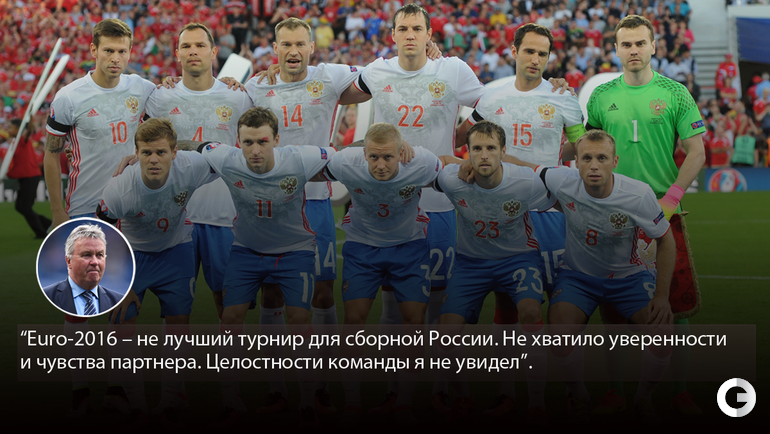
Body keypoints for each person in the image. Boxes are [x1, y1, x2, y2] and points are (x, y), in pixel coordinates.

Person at [454, 23, 585, 418]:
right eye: (529, 51)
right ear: (513, 51)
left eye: (543, 53)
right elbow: (461, 137)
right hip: (503, 213)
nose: (535, 59)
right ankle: (509, 393)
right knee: (508, 308)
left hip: (548, 212)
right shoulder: (491, 96)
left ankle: (573, 389)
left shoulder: (563, 99)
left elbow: (582, 146)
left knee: (561, 311)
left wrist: (557, 161)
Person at [585, 14, 706, 416]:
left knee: (675, 306)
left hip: (662, 211)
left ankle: (679, 392)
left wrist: (671, 198)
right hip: (612, 212)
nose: (633, 50)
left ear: (654, 46)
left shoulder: (675, 93)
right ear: (616, 49)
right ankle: (616, 392)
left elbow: (697, 152)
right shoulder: (601, 95)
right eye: (626, 44)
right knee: (614, 310)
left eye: (640, 43)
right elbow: (588, 149)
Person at [186, 107, 336, 426]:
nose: (255, 150)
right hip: (247, 251)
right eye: (248, 142)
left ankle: (307, 402)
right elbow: (192, 145)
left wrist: (393, 145)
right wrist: (138, 154)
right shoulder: (225, 157)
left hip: (295, 251)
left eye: (263, 142)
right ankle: (231, 402)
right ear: (237, 141)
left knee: (300, 320)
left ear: (277, 140)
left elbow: (346, 155)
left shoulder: (300, 158)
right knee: (230, 318)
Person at [244, 17, 363, 413]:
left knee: (323, 292)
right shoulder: (255, 87)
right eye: (285, 44)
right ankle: (277, 388)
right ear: (274, 48)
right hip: (271, 204)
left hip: (315, 201)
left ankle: (321, 385)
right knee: (272, 292)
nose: (293, 51)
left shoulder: (329, 78)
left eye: (300, 44)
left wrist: (430, 56)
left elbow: (381, 80)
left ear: (312, 47)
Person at [43, 18, 156, 419]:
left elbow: (183, 95)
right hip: (83, 211)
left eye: (122, 51)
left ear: (130, 52)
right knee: (79, 308)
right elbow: (51, 154)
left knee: (122, 307)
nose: (115, 58)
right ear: (93, 50)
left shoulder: (143, 89)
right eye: (108, 50)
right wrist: (57, 211)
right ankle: (79, 392)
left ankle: (116, 389)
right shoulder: (69, 97)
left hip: (129, 213)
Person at [541, 129, 675, 425]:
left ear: (615, 161)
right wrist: (474, 164)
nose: (594, 165)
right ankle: (579, 394)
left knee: (662, 336)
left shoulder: (638, 194)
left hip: (629, 277)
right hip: (577, 277)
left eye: (602, 158)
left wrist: (662, 296)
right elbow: (525, 169)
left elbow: (666, 240)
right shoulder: (562, 180)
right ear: (576, 162)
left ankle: (643, 399)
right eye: (586, 158)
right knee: (559, 334)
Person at [322, 123, 448, 424]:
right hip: (362, 247)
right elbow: (310, 171)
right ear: (363, 153)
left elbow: (448, 167)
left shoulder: (421, 161)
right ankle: (352, 403)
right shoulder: (345, 162)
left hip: (409, 247)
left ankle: (403, 403)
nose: (380, 165)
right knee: (354, 321)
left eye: (388, 157)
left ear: (401, 152)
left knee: (414, 321)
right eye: (374, 157)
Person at [98, 118, 220, 420]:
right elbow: (101, 236)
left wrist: (193, 145)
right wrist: (122, 283)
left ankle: (172, 399)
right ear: (136, 153)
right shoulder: (119, 188)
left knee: (179, 325)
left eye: (162, 152)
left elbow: (224, 156)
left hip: (175, 250)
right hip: (130, 255)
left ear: (175, 152)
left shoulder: (191, 166)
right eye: (147, 152)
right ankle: (137, 404)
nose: (154, 159)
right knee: (122, 325)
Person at [436, 121, 555, 425]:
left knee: (530, 311)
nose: (484, 155)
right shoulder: (451, 179)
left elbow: (563, 195)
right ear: (468, 152)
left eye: (491, 148)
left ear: (504, 151)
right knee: (446, 332)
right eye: (477, 149)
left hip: (517, 259)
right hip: (470, 263)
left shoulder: (525, 181)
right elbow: (431, 164)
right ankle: (463, 397)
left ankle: (538, 403)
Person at [42, 223, 122, 316]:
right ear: (69, 261)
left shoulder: (118, 301)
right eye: (86, 255)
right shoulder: (47, 296)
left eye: (100, 255)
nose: (95, 262)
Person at [6, 119, 51, 238]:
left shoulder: (22, 139)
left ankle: (41, 232)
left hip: (30, 177)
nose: (8, 130)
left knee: (25, 207)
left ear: (18, 129)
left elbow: (29, 130)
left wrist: (30, 118)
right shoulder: (16, 142)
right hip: (25, 178)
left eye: (11, 127)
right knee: (20, 207)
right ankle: (46, 223)